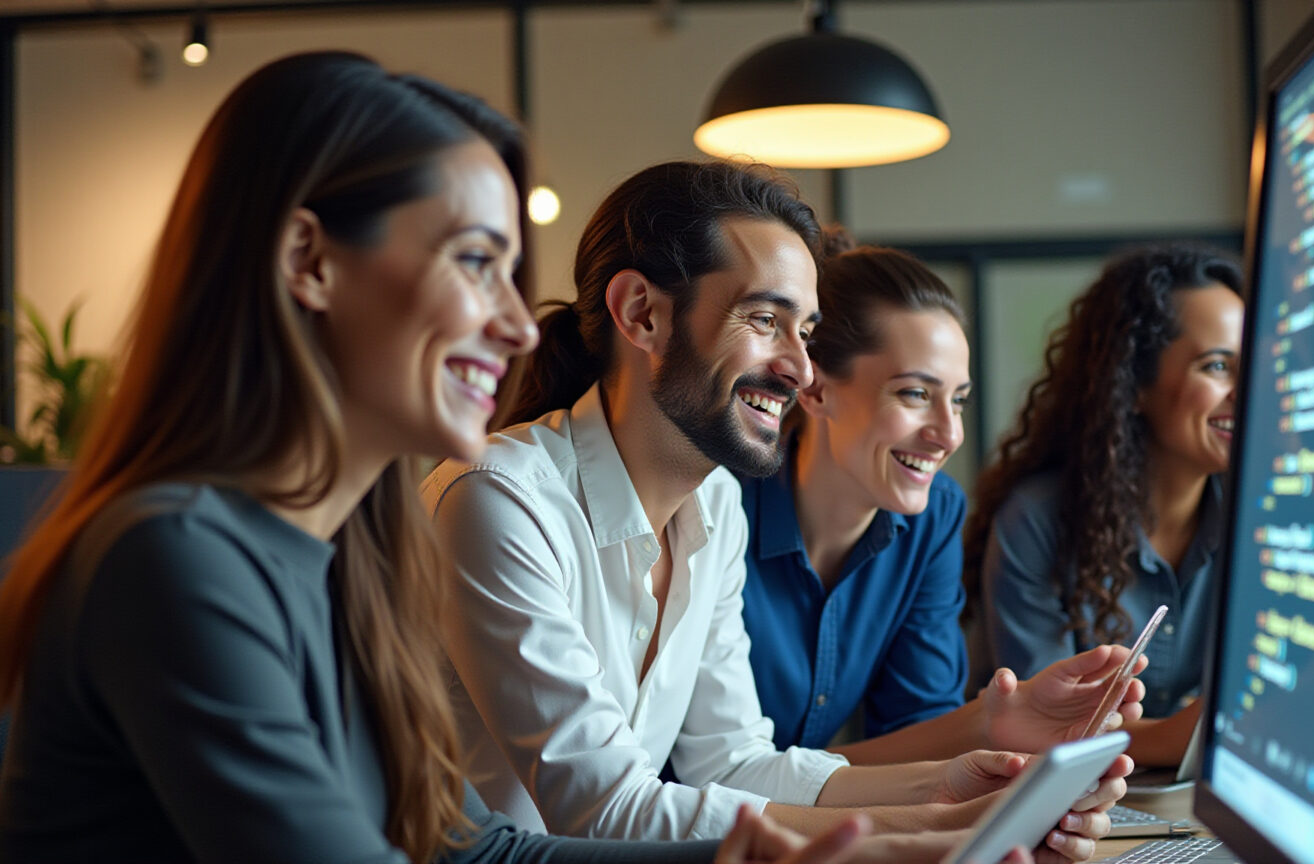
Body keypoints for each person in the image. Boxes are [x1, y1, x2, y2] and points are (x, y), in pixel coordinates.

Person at [0, 52, 864, 864]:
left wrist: (747, 854)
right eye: (476, 262)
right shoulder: (176, 558)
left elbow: (471, 847)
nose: (520, 325)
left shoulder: (354, 560)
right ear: (309, 262)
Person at [422, 161, 1132, 859]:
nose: (801, 368)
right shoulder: (496, 498)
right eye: (765, 318)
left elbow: (732, 762)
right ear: (642, 313)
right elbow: (605, 808)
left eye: (807, 330)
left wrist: (950, 785)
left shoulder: (718, 504)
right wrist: (940, 830)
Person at [738, 236, 1149, 767]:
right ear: (814, 388)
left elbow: (918, 732)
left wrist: (1000, 746)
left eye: (958, 400)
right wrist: (981, 729)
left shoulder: (934, 515)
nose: (948, 434)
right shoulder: (717, 508)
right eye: (914, 394)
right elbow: (712, 773)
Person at [964, 243, 1244, 767]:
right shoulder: (1036, 523)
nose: (1246, 389)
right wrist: (1187, 736)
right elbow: (1036, 732)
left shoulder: (1261, 523)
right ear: (1134, 386)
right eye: (1217, 366)